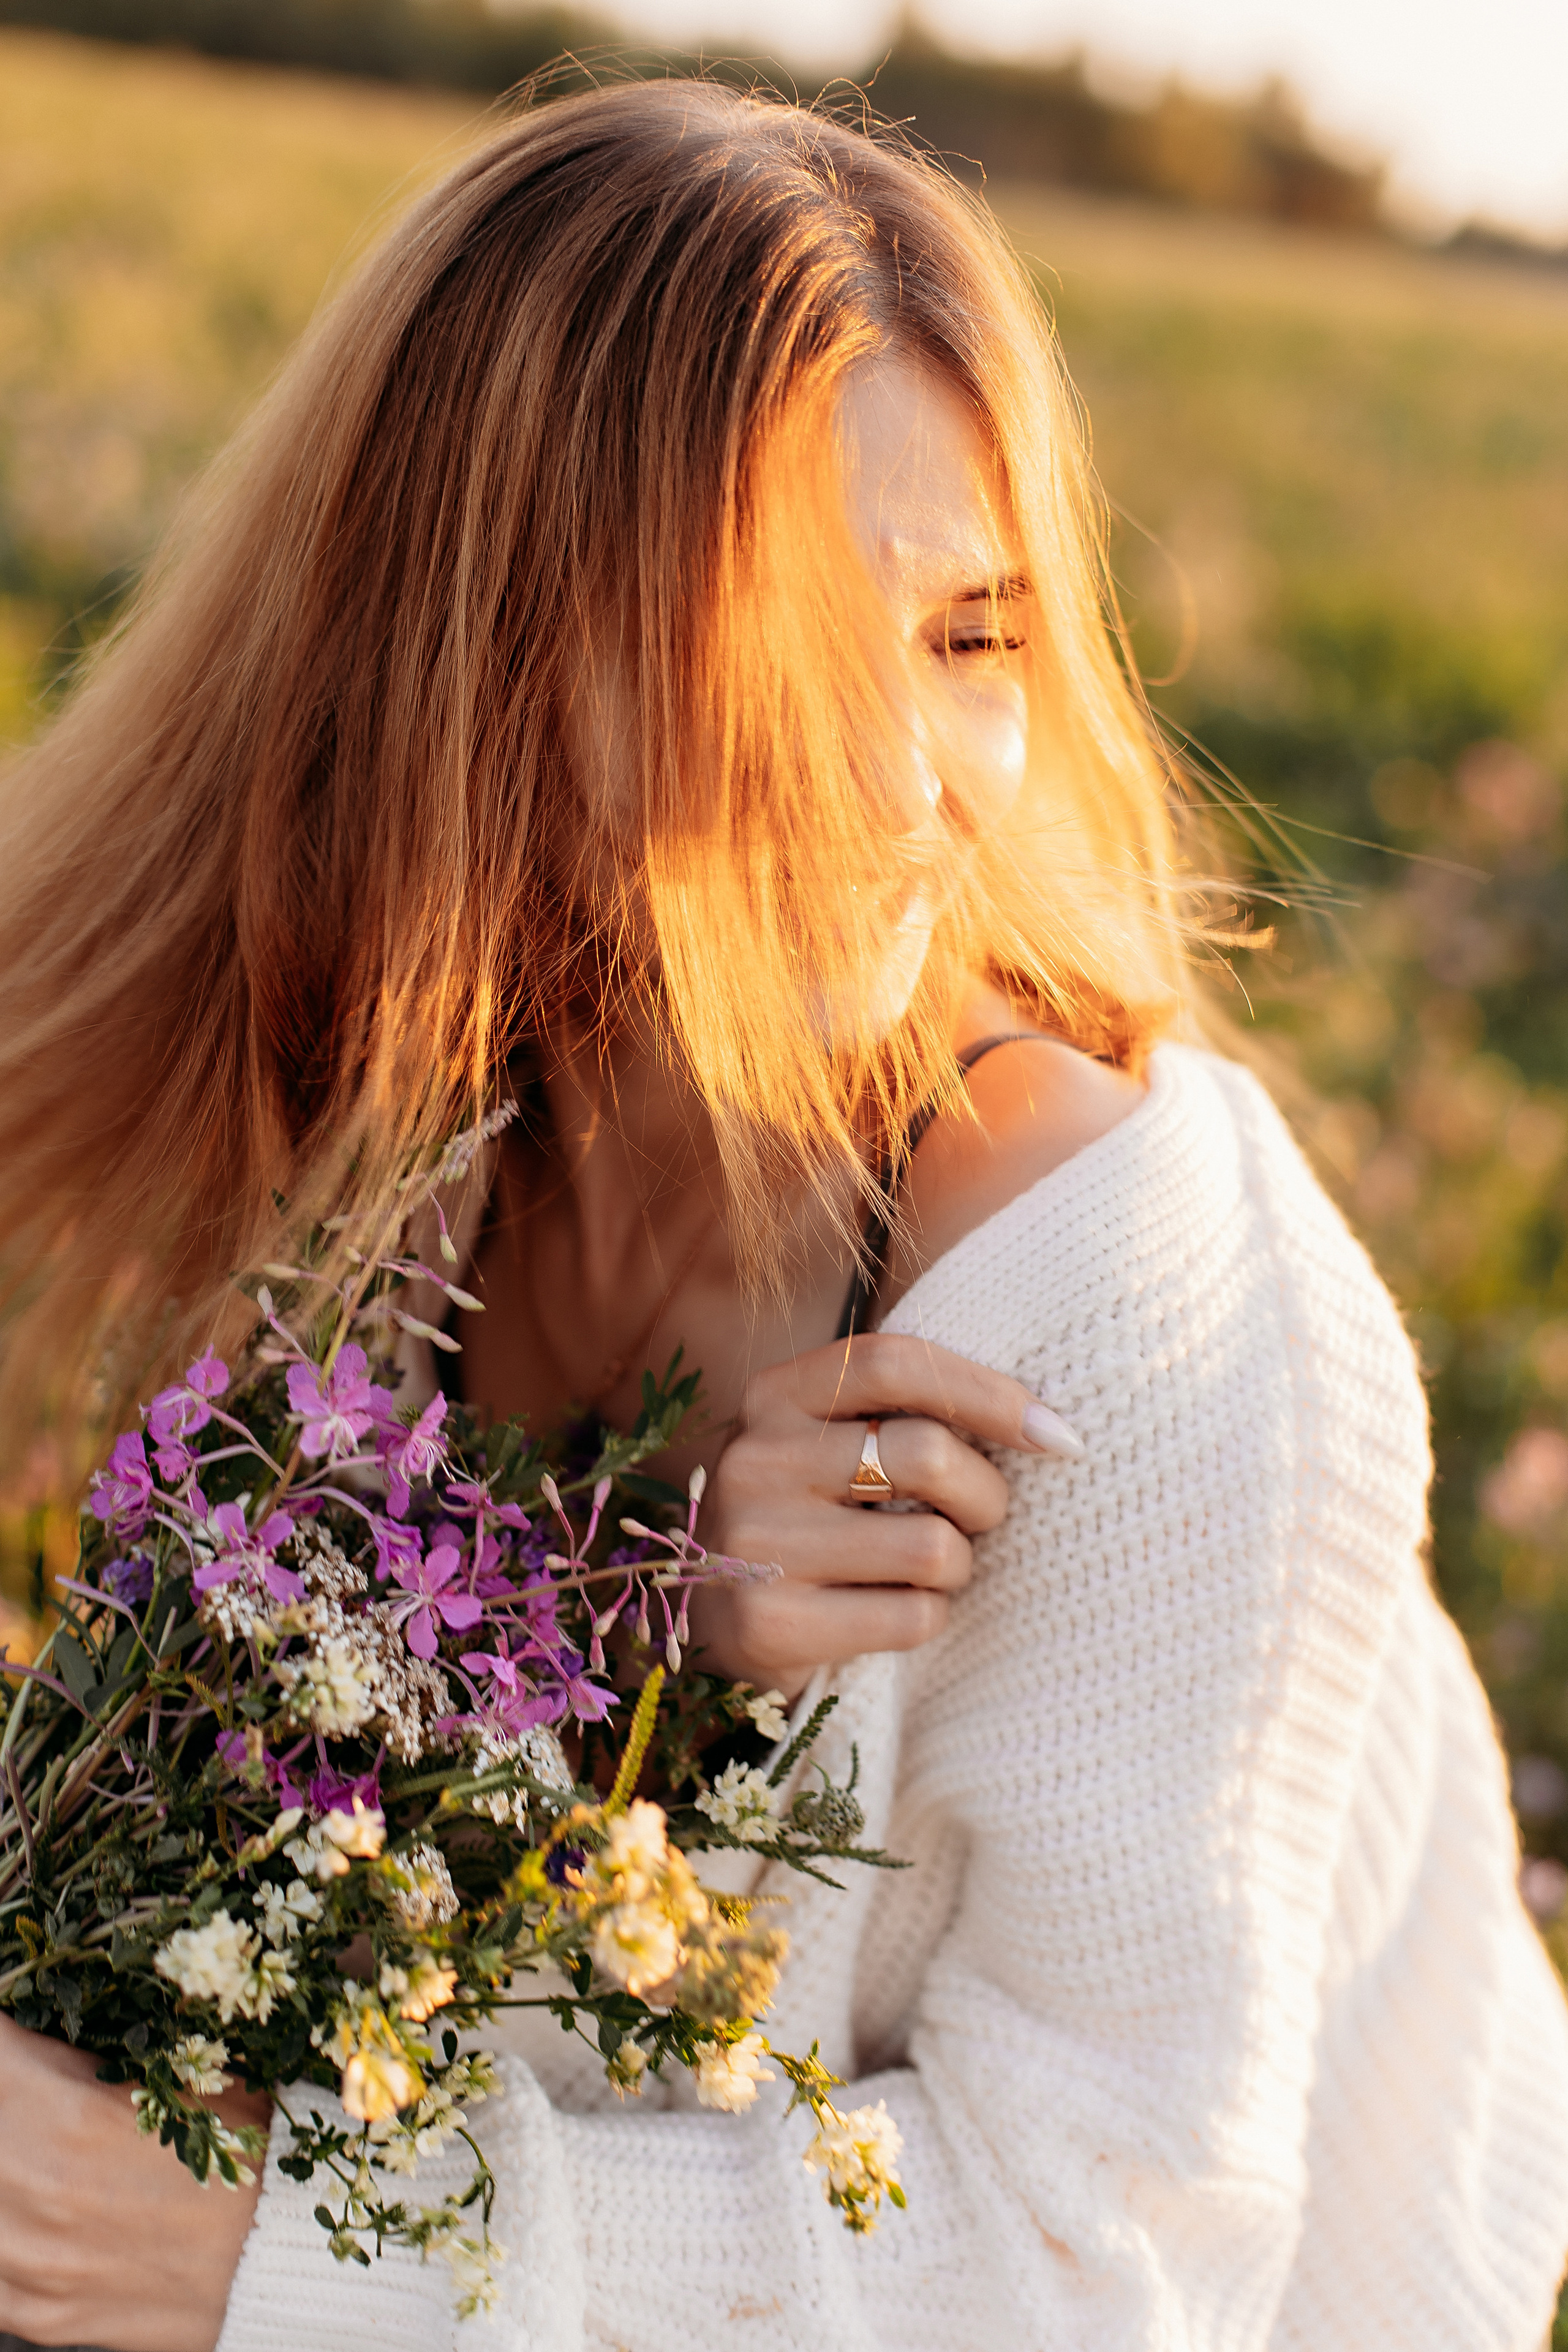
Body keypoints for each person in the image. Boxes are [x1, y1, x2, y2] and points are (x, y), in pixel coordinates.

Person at [0, 76, 1564, 2352]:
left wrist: (287, 2262)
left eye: (970, 637)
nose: (902, 783)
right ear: (485, 645)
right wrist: (614, 1612)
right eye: (776, 645)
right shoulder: (396, 1168)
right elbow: (205, 1843)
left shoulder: (1150, 1306)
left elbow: (1109, 2267)